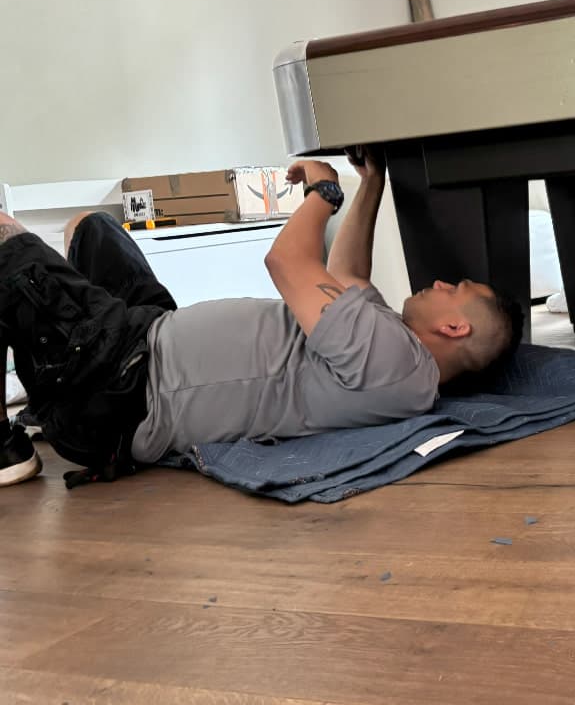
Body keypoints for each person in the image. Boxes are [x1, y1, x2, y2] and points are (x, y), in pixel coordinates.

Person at [0, 146, 522, 488]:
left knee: (5, 239)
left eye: (456, 289)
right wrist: (372, 183)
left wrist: (324, 193)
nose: (441, 283)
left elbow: (287, 262)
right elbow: (346, 273)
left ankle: (5, 447)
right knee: (91, 227)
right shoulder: (392, 353)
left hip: (120, 384)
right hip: (148, 338)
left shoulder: (394, 363)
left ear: (456, 328)